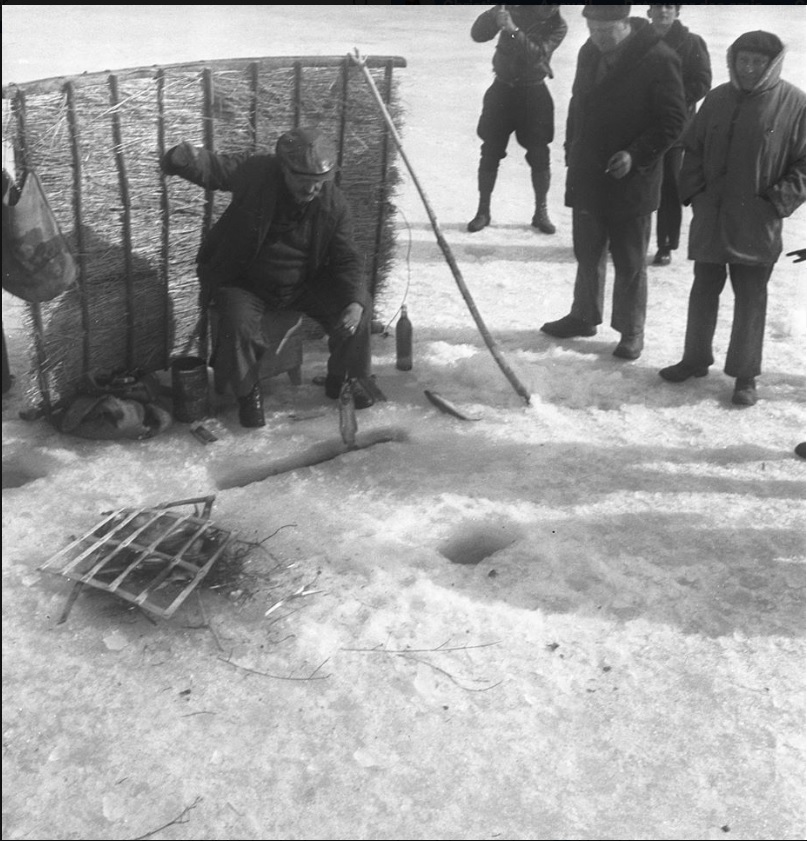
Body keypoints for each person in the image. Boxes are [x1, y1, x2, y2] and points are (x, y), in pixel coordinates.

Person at [160, 127, 377, 428]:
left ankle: (343, 379)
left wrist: (353, 302)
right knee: (236, 323)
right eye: (305, 182)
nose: (313, 190)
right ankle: (248, 393)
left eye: (319, 183)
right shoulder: (258, 173)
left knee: (360, 305)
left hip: (303, 283)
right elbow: (218, 169)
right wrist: (182, 159)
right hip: (245, 280)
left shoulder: (332, 203)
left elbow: (347, 258)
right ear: (285, 170)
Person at [659, 31, 806, 407]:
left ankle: (745, 375)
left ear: (772, 64)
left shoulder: (795, 104)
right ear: (732, 60)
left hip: (757, 219)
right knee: (704, 288)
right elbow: (691, 149)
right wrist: (694, 192)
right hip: (712, 214)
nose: (749, 67)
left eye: (758, 62)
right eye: (743, 60)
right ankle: (694, 359)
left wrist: (776, 202)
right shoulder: (718, 98)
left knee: (751, 297)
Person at [541, 4, 687, 361]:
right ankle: (584, 315)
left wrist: (635, 155)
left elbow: (674, 120)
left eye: (607, 32)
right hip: (589, 169)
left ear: (627, 25)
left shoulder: (658, 58)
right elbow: (579, 104)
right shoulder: (589, 52)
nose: (598, 39)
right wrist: (570, 147)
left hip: (631, 178)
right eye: (592, 30)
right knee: (587, 252)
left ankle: (631, 330)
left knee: (630, 259)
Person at [466, 4, 568, 234]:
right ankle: (483, 210)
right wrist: (494, 16)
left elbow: (537, 54)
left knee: (539, 154)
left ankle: (540, 212)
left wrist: (512, 30)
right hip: (502, 91)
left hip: (534, 94)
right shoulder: (512, 8)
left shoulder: (558, 26)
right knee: (490, 150)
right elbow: (478, 35)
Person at [646, 4, 712, 267]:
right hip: (638, 124)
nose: (663, 11)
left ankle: (665, 244)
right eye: (658, 6)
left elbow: (702, 81)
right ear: (649, 11)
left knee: (670, 185)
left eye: (669, 6)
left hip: (673, 126)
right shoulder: (637, 39)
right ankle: (621, 236)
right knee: (631, 180)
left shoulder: (692, 42)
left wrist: (672, 101)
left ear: (677, 11)